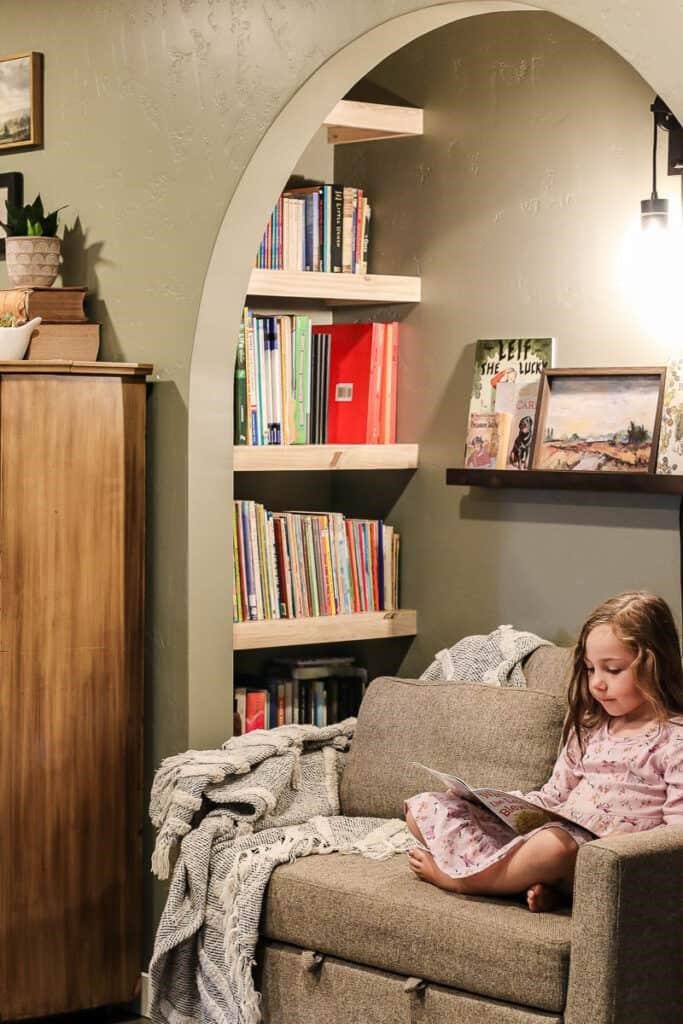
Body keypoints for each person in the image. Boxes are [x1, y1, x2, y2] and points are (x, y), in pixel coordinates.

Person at [405, 591, 683, 912]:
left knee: (554, 848)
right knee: (425, 808)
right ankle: (533, 883)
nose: (597, 683)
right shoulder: (590, 725)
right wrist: (492, 803)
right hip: (555, 835)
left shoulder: (674, 740)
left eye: (613, 669)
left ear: (655, 665)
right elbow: (554, 795)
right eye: (590, 669)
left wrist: (611, 847)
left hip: (603, 859)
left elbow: (674, 837)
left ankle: (461, 881)